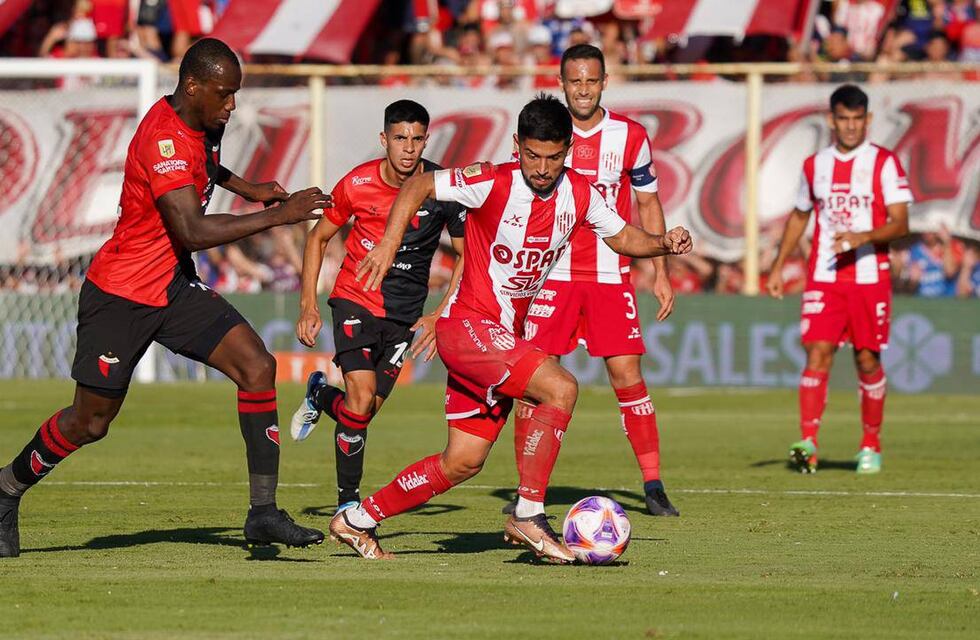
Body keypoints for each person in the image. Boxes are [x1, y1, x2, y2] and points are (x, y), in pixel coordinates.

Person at [0, 38, 329, 558]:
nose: (232, 105)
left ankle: (262, 513)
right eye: (224, 94)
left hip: (172, 286)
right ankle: (6, 488)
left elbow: (210, 168)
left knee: (256, 366)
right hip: (122, 294)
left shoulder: (204, 123)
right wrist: (279, 214)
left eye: (235, 94)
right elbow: (193, 230)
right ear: (193, 87)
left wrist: (249, 188)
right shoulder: (163, 140)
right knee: (90, 422)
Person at [328, 95, 692, 562]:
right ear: (517, 145)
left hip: (502, 335)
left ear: (567, 151)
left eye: (554, 157)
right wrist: (389, 242)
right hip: (467, 325)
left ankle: (358, 519)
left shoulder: (580, 193)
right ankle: (529, 513)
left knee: (462, 461)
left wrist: (661, 242)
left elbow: (622, 236)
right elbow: (418, 185)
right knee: (560, 387)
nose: (542, 168)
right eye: (533, 155)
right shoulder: (489, 180)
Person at [508, 44, 679, 517]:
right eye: (573, 81)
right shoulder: (547, 133)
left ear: (604, 82)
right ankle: (528, 492)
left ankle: (653, 485)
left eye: (590, 81)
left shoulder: (630, 136)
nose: (582, 90)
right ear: (561, 83)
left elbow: (647, 204)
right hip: (551, 275)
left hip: (609, 275)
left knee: (628, 378)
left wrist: (660, 272)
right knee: (534, 381)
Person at [291, 100, 466, 514]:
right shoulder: (357, 183)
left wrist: (442, 311)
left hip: (405, 314)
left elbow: (467, 254)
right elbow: (317, 239)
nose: (408, 148)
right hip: (355, 298)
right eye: (400, 138)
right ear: (383, 139)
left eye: (417, 139)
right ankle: (347, 506)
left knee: (362, 413)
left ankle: (318, 394)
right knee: (361, 394)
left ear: (426, 140)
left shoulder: (444, 188)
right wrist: (308, 306)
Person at [767, 84, 911, 475]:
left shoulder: (884, 163)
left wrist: (863, 237)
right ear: (832, 120)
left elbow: (901, 222)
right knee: (818, 352)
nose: (850, 127)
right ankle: (808, 443)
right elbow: (800, 215)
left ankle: (871, 445)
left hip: (869, 277)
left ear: (868, 120)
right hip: (824, 275)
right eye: (843, 119)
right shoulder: (815, 165)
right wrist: (779, 265)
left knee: (866, 359)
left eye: (857, 119)